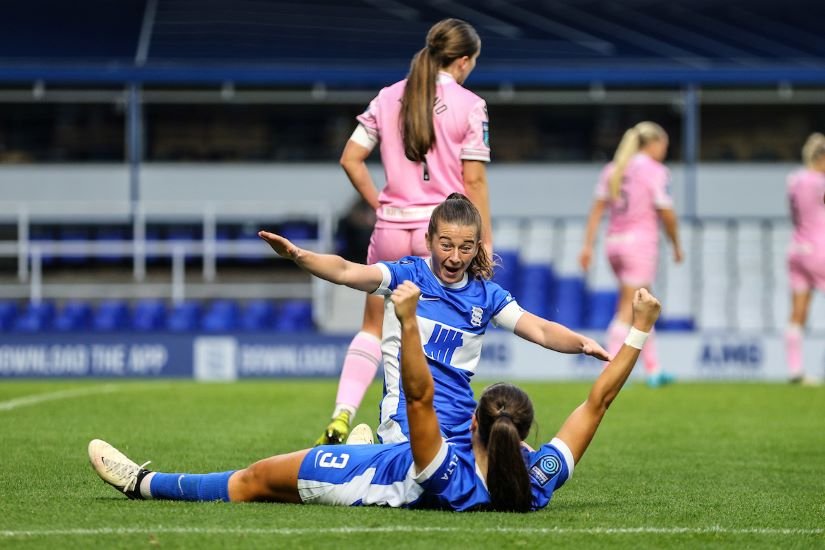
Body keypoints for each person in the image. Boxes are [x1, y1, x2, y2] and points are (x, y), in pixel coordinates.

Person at [88, 283, 662, 512]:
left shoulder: (448, 473)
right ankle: (363, 435)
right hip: (399, 457)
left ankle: (143, 484)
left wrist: (409, 322)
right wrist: (640, 329)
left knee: (256, 479)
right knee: (270, 476)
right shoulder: (536, 480)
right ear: (522, 435)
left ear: (478, 429)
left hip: (381, 476)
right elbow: (596, 405)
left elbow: (417, 394)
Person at [262, 194, 608, 444]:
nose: (455, 257)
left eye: (466, 247)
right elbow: (346, 271)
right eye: (446, 245)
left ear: (477, 248)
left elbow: (542, 330)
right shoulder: (406, 275)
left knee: (516, 466)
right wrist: (298, 255)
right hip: (406, 419)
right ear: (428, 240)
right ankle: (369, 450)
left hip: (462, 422)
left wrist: (582, 343)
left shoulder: (486, 295)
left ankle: (367, 452)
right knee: (430, 480)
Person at [321, 18, 493, 445]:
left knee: (372, 328)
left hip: (393, 226)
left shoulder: (387, 96)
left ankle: (342, 414)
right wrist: (482, 239)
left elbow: (350, 158)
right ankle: (415, 426)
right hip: (443, 231)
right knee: (435, 332)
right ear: (465, 61)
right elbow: (473, 182)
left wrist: (380, 201)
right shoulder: (470, 104)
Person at [579, 121, 683, 388]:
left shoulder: (613, 169)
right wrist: (676, 243)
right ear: (654, 144)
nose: (665, 151)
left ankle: (653, 368)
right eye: (664, 146)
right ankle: (609, 369)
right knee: (628, 308)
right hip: (640, 244)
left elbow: (596, 211)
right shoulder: (656, 171)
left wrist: (587, 246)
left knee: (644, 304)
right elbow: (666, 212)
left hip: (614, 244)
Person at [785, 132, 825, 385]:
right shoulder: (820, 181)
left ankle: (795, 371)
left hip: (797, 247)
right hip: (820, 246)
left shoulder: (794, 179)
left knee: (798, 311)